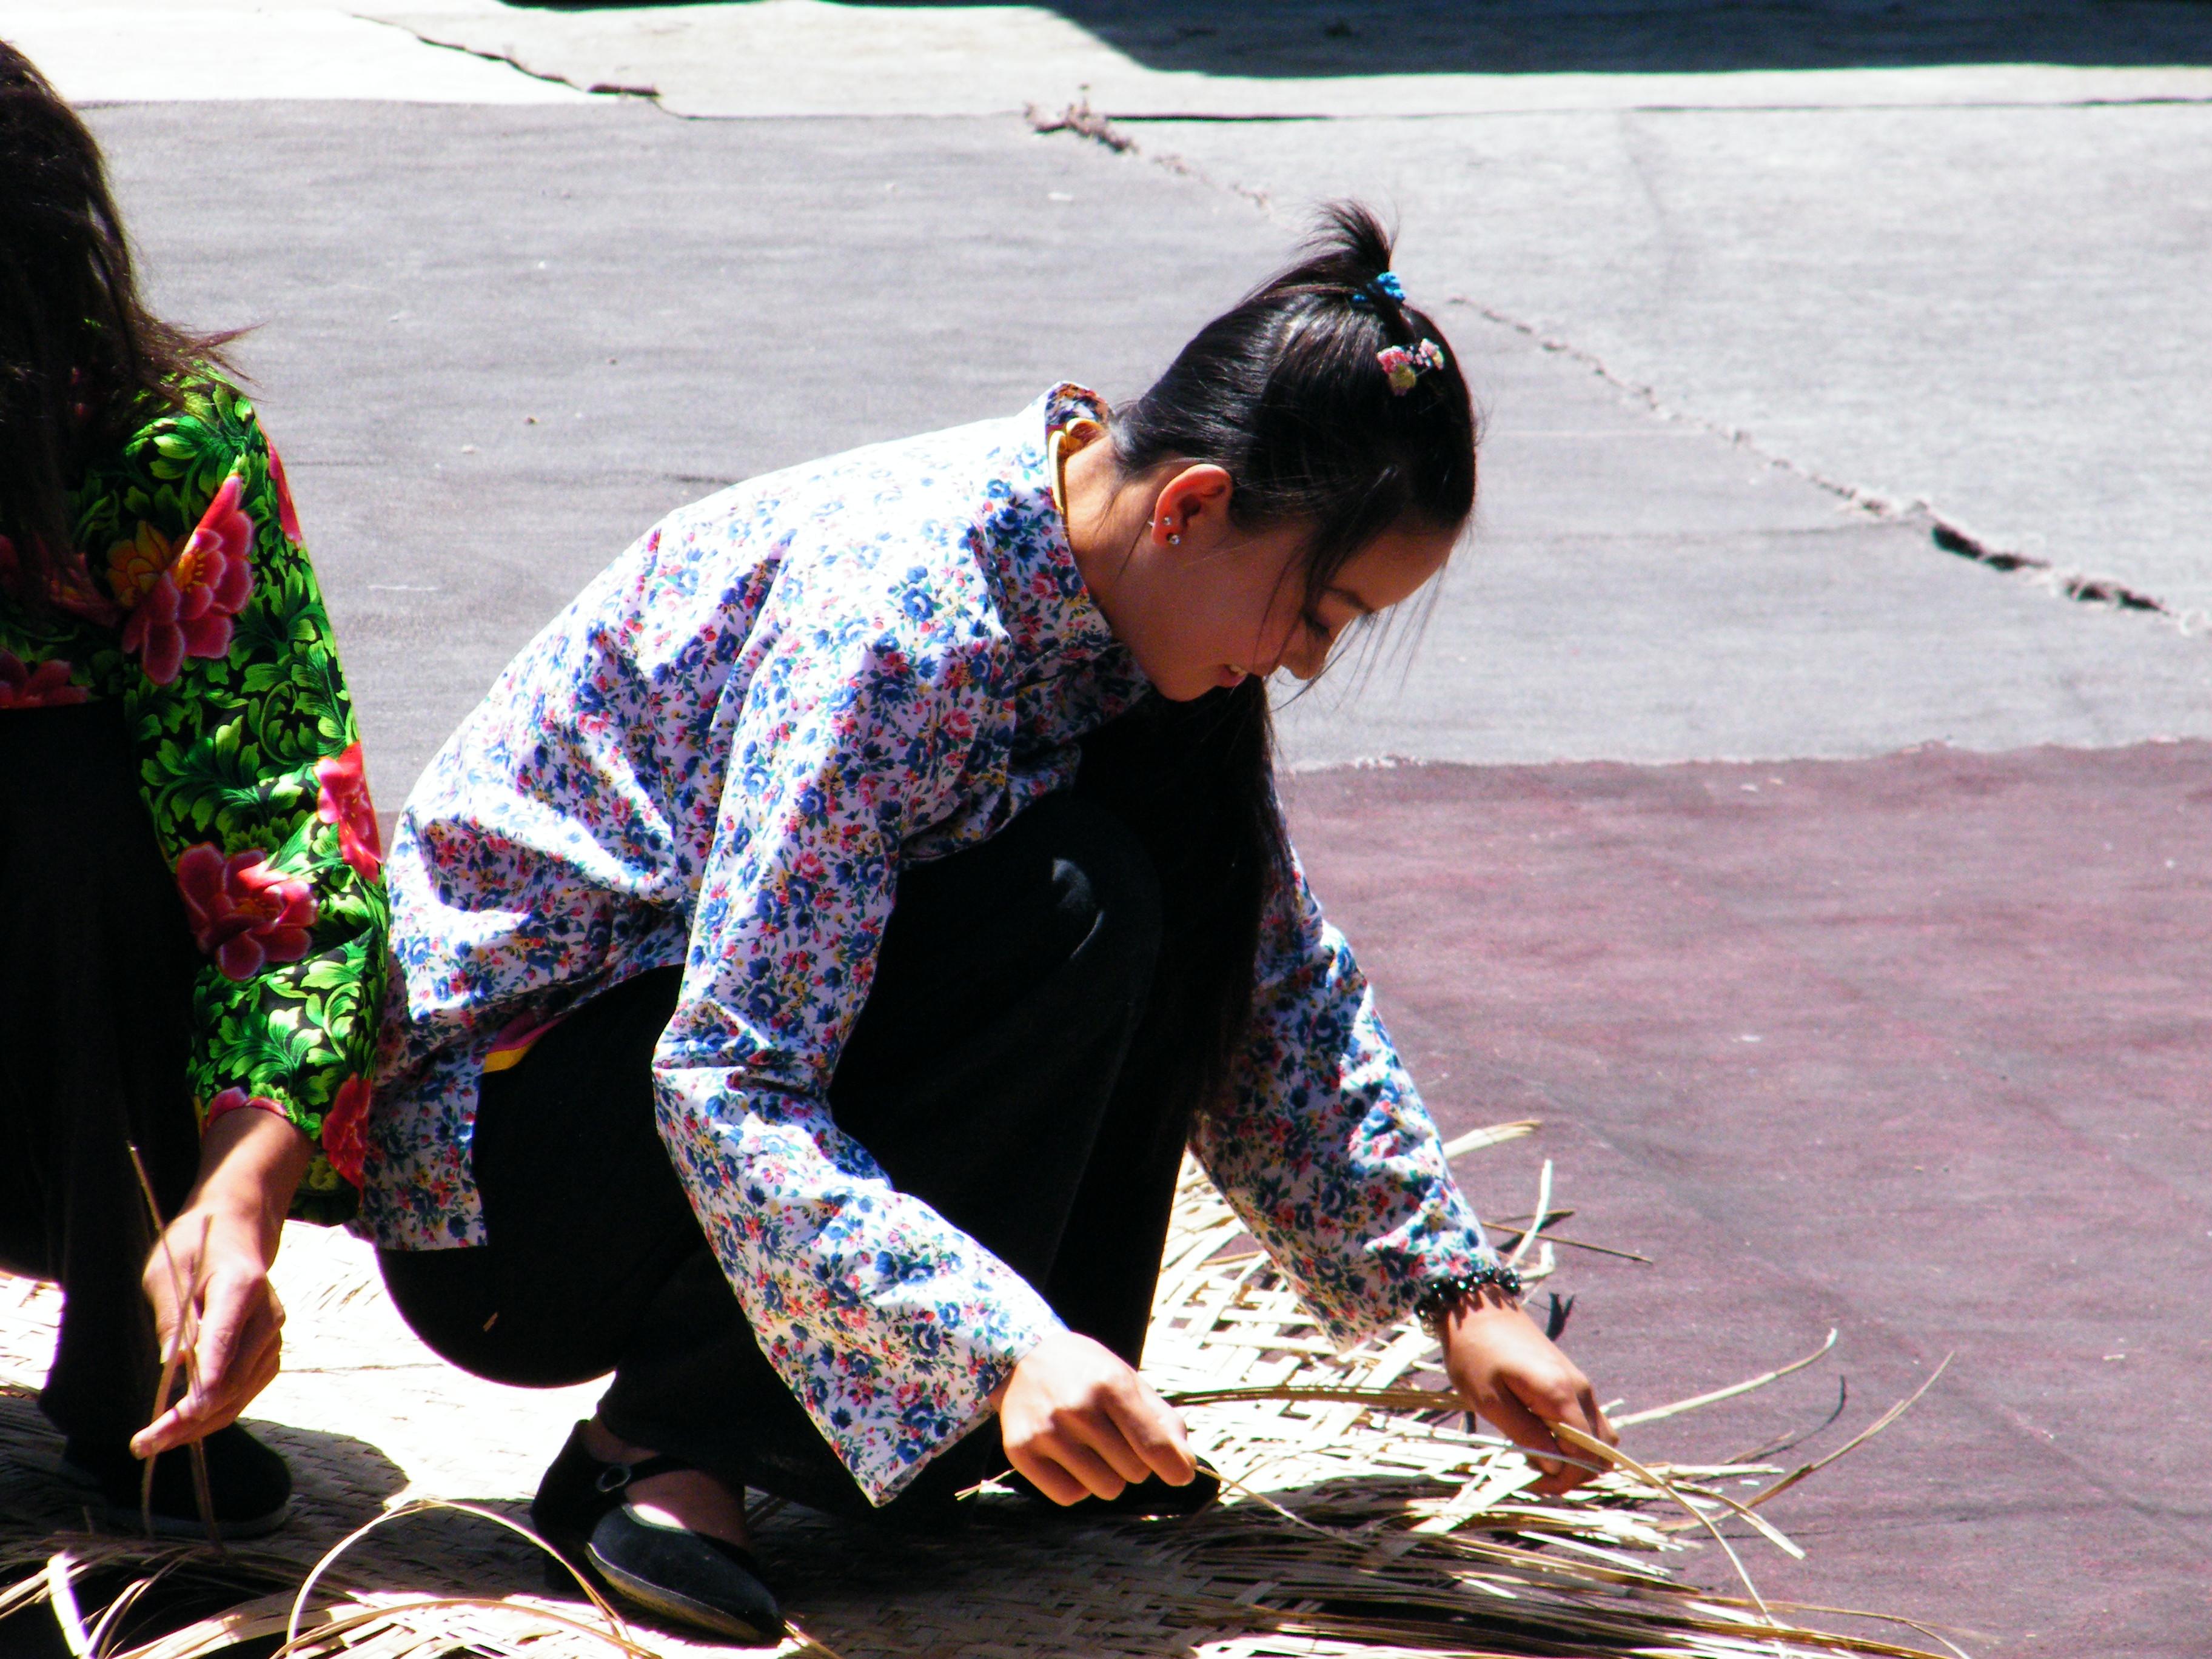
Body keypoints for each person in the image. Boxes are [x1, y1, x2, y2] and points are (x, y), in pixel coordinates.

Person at [371, 204, 1616, 1644]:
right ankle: (657, 1450)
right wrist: (999, 1338)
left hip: (640, 1112)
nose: (1299, 667)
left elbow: (1272, 978)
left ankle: (977, 1424)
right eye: (1316, 617)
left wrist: (1457, 1293)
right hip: (509, 1180)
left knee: (1156, 873)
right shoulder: (900, 625)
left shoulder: (1130, 611)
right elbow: (730, 1077)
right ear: (1193, 506)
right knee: (1066, 905)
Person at [0, 43, 389, 1537]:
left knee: (75, 793)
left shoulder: (156, 465)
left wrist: (238, 1204)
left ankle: (136, 1379)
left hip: (75, 1085)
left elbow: (286, 862)